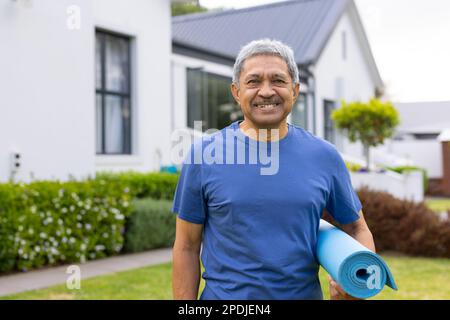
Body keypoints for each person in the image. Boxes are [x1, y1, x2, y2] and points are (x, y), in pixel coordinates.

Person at [171, 39, 375, 300]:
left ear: (295, 90)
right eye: (253, 81)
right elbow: (186, 246)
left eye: (278, 80)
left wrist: (359, 284)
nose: (266, 91)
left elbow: (357, 228)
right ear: (236, 91)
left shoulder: (324, 156)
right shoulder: (204, 156)